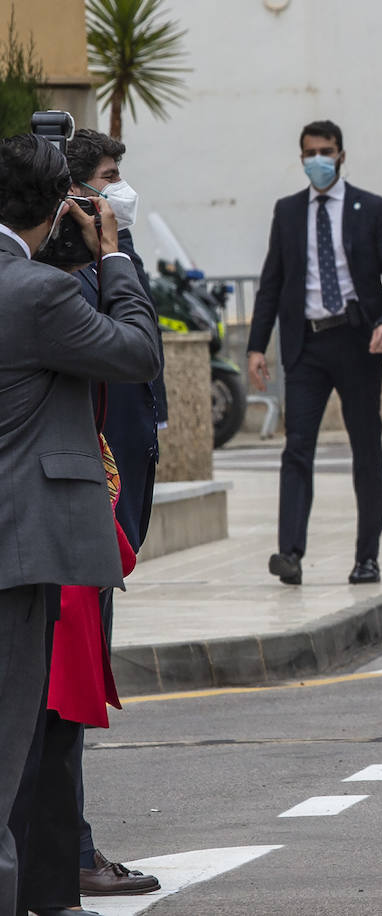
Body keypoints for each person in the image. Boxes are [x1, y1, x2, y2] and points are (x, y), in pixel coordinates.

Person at [0, 133, 160, 916]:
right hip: (22, 546)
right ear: (53, 207)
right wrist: (115, 259)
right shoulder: (36, 292)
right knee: (10, 752)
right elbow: (135, 351)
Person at [247, 119, 382, 586]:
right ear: (301, 158)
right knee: (297, 448)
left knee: (365, 448)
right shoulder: (287, 212)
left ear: (341, 155)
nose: (318, 159)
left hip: (359, 341)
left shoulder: (372, 209)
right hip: (307, 345)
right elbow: (272, 283)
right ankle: (290, 554)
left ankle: (367, 557)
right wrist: (257, 346)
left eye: (326, 151)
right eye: (310, 152)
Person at [64, 127, 164, 899]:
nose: (119, 195)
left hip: (108, 513)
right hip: (76, 521)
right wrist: (110, 259)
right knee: (58, 701)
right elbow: (134, 352)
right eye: (106, 180)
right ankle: (70, 848)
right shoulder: (71, 284)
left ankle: (68, 845)